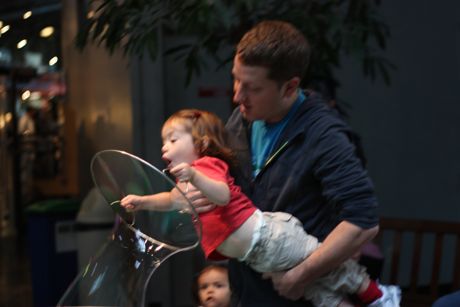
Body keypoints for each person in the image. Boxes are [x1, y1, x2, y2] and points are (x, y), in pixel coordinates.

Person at [121, 109, 400, 307]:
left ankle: (377, 295)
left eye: (172, 140)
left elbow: (222, 195)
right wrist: (142, 202)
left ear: (201, 143)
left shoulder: (205, 167)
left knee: (328, 270)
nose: (164, 148)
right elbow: (170, 200)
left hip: (269, 237)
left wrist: (194, 177)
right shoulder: (185, 185)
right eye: (163, 142)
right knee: (316, 293)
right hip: (258, 258)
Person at [220, 20, 388, 306]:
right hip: (246, 294)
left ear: (290, 87)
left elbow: (363, 223)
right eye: (236, 79)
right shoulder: (241, 120)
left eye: (252, 88)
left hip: (297, 297)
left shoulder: (324, 136)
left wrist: (302, 274)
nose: (237, 96)